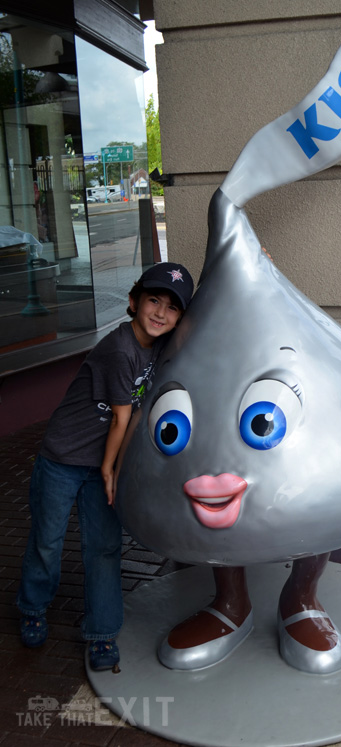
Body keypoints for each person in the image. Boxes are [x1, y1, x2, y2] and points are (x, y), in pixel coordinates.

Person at [17, 262, 194, 670]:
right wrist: (111, 471)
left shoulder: (159, 344)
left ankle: (101, 633)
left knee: (104, 548)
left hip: (102, 461)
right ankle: (32, 606)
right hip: (64, 458)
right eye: (153, 300)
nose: (161, 313)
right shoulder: (120, 349)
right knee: (48, 540)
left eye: (172, 307)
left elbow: (207, 307)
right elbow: (121, 418)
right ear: (133, 302)